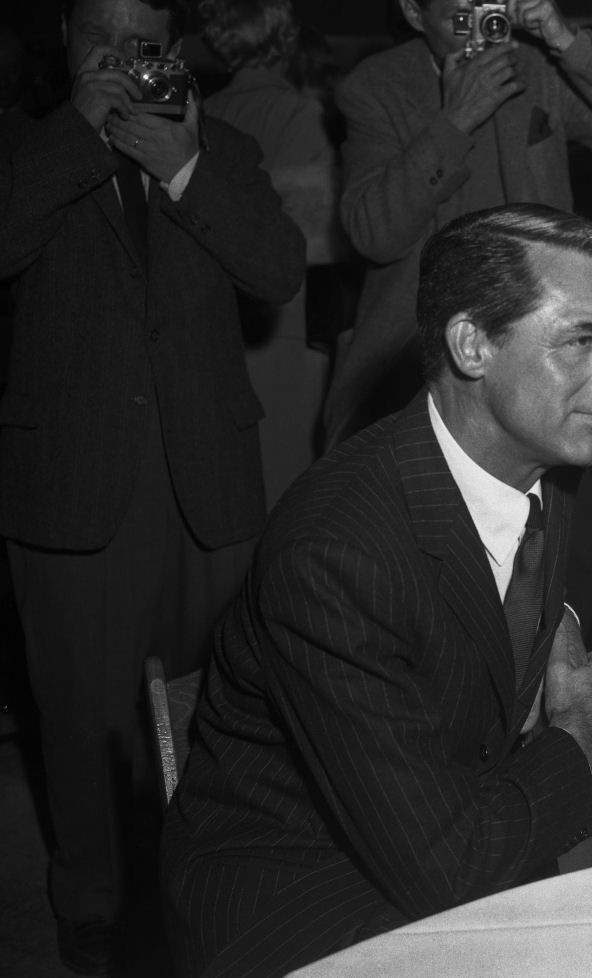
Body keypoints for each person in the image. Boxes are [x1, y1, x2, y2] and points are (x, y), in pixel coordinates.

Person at [161, 204, 592, 977]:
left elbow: (529, 572)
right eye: (581, 340)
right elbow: (448, 871)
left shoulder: (545, 449)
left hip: (459, 815)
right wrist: (576, 736)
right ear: (472, 345)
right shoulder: (335, 554)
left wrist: (559, 622)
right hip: (298, 889)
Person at [0, 0, 305, 972]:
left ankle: (207, 888)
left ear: (173, 51)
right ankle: (93, 904)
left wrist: (184, 166)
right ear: (67, 42)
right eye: (103, 39)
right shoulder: (23, 147)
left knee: (221, 709)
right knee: (81, 719)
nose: (124, 59)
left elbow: (278, 271)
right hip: (75, 481)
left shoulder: (226, 148)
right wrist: (79, 134)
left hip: (207, 478)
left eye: (145, 42)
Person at [320, 0, 592, 447]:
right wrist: (455, 120)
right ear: (414, 14)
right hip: (421, 351)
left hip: (540, 338)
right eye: (459, 17)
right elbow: (375, 235)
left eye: (486, 7)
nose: (478, 27)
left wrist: (565, 39)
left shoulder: (535, 65)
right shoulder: (378, 85)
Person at [200, 0, 350, 508]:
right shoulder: (299, 114)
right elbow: (320, 240)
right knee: (287, 492)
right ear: (286, 40)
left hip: (212, 325)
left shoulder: (202, 110)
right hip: (286, 323)